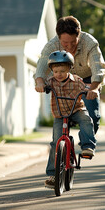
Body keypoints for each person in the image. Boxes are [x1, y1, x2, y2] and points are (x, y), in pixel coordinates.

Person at [34, 15, 105, 134]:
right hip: (62, 80)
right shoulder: (51, 45)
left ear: (79, 35)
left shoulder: (89, 42)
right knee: (61, 118)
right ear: (59, 38)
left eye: (73, 42)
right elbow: (41, 67)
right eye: (65, 43)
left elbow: (98, 67)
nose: (70, 46)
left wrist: (93, 89)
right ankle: (61, 146)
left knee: (92, 116)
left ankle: (86, 149)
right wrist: (40, 82)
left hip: (87, 81)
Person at [43, 50, 96, 189]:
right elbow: (42, 84)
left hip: (76, 110)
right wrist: (40, 86)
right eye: (55, 71)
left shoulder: (77, 81)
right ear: (52, 71)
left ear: (69, 69)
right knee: (55, 142)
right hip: (60, 114)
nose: (58, 74)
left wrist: (91, 90)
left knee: (86, 120)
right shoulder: (51, 82)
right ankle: (53, 175)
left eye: (62, 71)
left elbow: (86, 87)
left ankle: (87, 146)